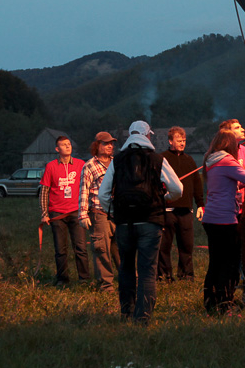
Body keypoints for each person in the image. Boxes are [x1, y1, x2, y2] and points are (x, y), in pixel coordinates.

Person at [99, 122, 183, 324]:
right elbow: (178, 188)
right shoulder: (156, 159)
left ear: (130, 135)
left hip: (124, 223)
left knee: (126, 267)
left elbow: (103, 193)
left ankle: (126, 313)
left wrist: (113, 210)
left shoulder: (117, 160)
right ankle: (143, 317)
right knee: (147, 270)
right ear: (148, 136)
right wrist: (165, 197)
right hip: (151, 221)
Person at [201, 130, 245, 312]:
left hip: (210, 218)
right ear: (229, 145)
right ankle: (225, 304)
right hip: (225, 219)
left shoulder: (211, 161)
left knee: (215, 262)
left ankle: (210, 302)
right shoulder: (227, 160)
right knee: (229, 263)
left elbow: (230, 183)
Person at [39, 135, 90, 286]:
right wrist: (44, 214)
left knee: (80, 247)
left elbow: (87, 185)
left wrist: (86, 210)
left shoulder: (81, 164)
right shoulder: (51, 166)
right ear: (57, 149)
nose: (68, 146)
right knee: (60, 250)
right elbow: (44, 191)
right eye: (63, 145)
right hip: (57, 213)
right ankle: (62, 279)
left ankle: (85, 279)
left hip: (76, 212)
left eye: (69, 144)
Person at [158, 126, 204, 282]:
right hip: (168, 209)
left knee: (187, 245)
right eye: (179, 140)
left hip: (186, 209)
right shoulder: (162, 159)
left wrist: (200, 204)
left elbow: (197, 184)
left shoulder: (189, 160)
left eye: (184, 140)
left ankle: (186, 275)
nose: (182, 143)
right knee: (164, 245)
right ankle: (164, 275)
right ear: (170, 141)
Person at [78, 131, 121, 292]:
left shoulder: (117, 162)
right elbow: (84, 190)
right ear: (97, 146)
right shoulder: (89, 165)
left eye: (112, 143)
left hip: (118, 214)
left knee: (122, 248)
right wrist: (82, 214)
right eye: (106, 143)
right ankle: (106, 285)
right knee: (101, 250)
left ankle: (129, 279)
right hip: (99, 213)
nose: (110, 146)